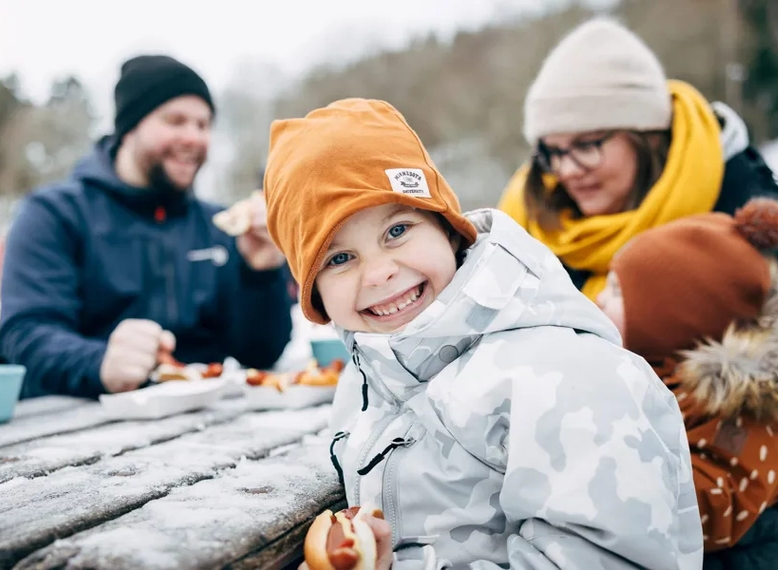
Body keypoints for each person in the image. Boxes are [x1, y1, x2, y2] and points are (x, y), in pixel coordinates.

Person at [264, 98, 702, 569]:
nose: (378, 273)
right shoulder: (370, 375)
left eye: (397, 231)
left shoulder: (568, 380)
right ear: (316, 296)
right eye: (339, 258)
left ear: (449, 231)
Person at [0, 55, 293, 399]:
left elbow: (260, 353)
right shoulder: (54, 215)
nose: (194, 137)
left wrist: (260, 275)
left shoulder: (218, 226)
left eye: (203, 125)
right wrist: (99, 363)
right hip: (79, 418)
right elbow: (25, 333)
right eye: (176, 121)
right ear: (129, 128)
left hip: (208, 420)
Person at [498, 16, 778, 301]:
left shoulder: (749, 231)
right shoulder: (524, 229)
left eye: (586, 144)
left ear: (648, 137)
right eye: (554, 151)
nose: (567, 170)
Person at [597, 198, 778, 569]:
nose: (598, 299)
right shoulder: (642, 371)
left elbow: (713, 505)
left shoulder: (739, 405)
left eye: (616, 291)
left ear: (671, 315)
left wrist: (607, 466)